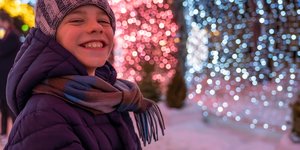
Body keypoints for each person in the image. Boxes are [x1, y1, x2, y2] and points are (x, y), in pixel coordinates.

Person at [4, 0, 165, 149]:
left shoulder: (109, 98)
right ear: (50, 35)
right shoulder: (43, 118)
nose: (96, 27)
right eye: (77, 20)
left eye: (103, 20)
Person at [0, 10, 19, 139]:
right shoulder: (6, 35)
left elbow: (3, 51)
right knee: (3, 103)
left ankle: (15, 131)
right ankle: (3, 131)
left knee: (9, 103)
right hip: (3, 74)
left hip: (8, 74)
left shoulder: (13, 36)